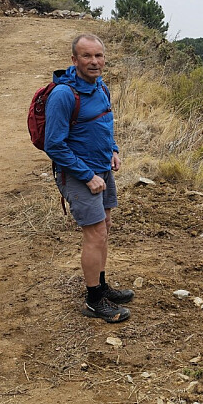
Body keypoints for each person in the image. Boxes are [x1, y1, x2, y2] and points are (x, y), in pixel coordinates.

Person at [44, 33, 133, 323]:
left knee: (104, 227)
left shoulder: (100, 87)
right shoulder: (63, 95)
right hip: (79, 174)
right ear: (74, 59)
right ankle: (94, 301)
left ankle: (102, 286)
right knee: (95, 234)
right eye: (86, 56)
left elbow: (104, 122)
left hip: (102, 169)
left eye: (98, 55)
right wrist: (87, 175)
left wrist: (113, 150)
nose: (94, 62)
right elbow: (54, 145)